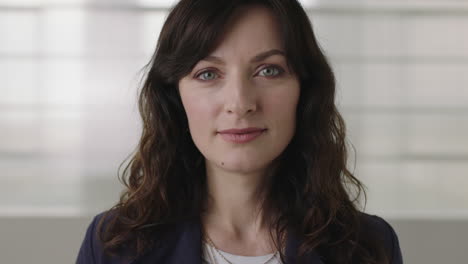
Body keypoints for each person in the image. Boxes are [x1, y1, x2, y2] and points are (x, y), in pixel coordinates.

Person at [76, 0, 403, 263]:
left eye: (269, 70)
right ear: (175, 97)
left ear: (304, 91)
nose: (240, 103)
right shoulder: (115, 246)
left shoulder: (367, 247)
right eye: (208, 74)